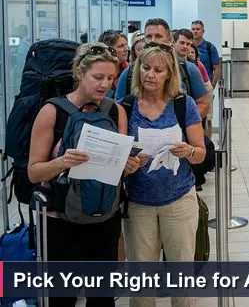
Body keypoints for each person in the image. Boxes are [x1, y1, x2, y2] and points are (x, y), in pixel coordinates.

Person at [27, 43, 144, 307]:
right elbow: (34, 172)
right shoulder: (52, 112)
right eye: (98, 77)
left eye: (111, 78)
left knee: (102, 298)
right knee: (63, 298)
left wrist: (129, 165)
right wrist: (61, 162)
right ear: (80, 73)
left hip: (104, 217)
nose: (105, 85)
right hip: (61, 221)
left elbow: (119, 164)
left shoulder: (116, 111)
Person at [121, 43, 206, 307]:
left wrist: (188, 150)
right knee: (142, 284)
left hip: (178, 200)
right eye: (146, 68)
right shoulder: (124, 106)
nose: (151, 75)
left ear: (169, 74)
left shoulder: (183, 104)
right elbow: (118, 157)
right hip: (138, 203)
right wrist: (127, 164)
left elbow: (201, 153)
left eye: (158, 70)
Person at [115, 18, 210, 118]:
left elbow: (203, 103)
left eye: (158, 36)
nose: (153, 40)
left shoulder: (189, 69)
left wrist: (186, 124)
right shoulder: (129, 73)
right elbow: (118, 109)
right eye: (148, 36)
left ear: (170, 40)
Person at [191, 20, 222, 90]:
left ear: (203, 31)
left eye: (198, 29)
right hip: (191, 87)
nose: (195, 31)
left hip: (205, 86)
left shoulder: (210, 48)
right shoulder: (188, 47)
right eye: (193, 29)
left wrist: (212, 86)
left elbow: (217, 69)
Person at [98, 30, 130, 96]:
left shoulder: (130, 70)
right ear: (108, 49)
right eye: (121, 46)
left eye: (126, 44)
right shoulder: (96, 70)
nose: (126, 49)